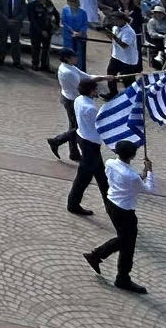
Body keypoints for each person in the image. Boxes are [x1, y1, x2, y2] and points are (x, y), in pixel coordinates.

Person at [83, 138, 155, 294]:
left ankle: (104, 262)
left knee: (125, 240)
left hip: (112, 203)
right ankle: (116, 273)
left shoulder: (110, 163)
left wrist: (142, 175)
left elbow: (131, 181)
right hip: (125, 211)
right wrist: (149, 171)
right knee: (127, 242)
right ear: (132, 156)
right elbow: (149, 189)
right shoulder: (131, 176)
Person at [65, 77, 105, 216]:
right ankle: (73, 204)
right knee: (84, 177)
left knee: (101, 176)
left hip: (83, 137)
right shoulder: (91, 108)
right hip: (90, 144)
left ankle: (110, 204)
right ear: (91, 91)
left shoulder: (78, 100)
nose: (97, 91)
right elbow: (100, 126)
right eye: (95, 89)